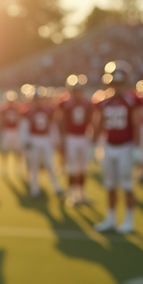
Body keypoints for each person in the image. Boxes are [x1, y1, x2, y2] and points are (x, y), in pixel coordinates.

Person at [91, 61, 141, 233]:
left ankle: (129, 220)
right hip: (108, 146)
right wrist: (94, 145)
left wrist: (138, 148)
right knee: (110, 186)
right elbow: (97, 124)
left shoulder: (131, 101)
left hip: (126, 147)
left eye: (120, 83)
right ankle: (110, 218)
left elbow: (137, 125)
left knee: (127, 185)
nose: (117, 87)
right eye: (114, 83)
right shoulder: (103, 102)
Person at [58, 74, 93, 206]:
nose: (77, 93)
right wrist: (62, 137)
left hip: (83, 136)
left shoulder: (87, 103)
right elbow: (61, 120)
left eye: (79, 90)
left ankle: (82, 194)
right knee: (72, 167)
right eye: (75, 90)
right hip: (71, 136)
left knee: (83, 167)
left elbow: (90, 120)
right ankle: (72, 195)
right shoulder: (66, 103)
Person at [20, 85, 59, 198]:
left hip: (45, 138)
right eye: (35, 99)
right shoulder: (27, 111)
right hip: (34, 138)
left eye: (39, 99)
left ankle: (56, 187)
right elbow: (24, 128)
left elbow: (52, 126)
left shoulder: (49, 110)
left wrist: (55, 139)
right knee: (34, 165)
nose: (37, 101)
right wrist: (25, 141)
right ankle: (34, 188)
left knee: (49, 164)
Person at [0, 89, 25, 175]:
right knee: (5, 150)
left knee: (18, 150)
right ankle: (3, 168)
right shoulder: (3, 108)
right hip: (7, 130)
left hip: (16, 130)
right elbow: (0, 120)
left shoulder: (19, 108)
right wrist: (1, 131)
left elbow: (21, 120)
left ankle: (18, 167)